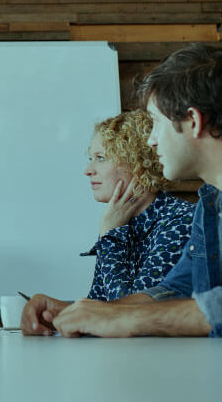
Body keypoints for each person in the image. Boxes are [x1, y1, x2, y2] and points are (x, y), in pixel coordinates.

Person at [25, 43, 222, 337]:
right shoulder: (212, 202)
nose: (152, 141)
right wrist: (80, 312)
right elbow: (175, 290)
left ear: (193, 121)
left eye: (156, 124)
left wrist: (136, 320)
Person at [81, 110, 194, 301]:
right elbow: (98, 304)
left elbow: (132, 312)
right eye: (90, 159)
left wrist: (110, 237)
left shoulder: (181, 221)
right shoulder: (119, 221)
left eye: (100, 158)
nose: (88, 170)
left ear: (137, 162)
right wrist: (56, 313)